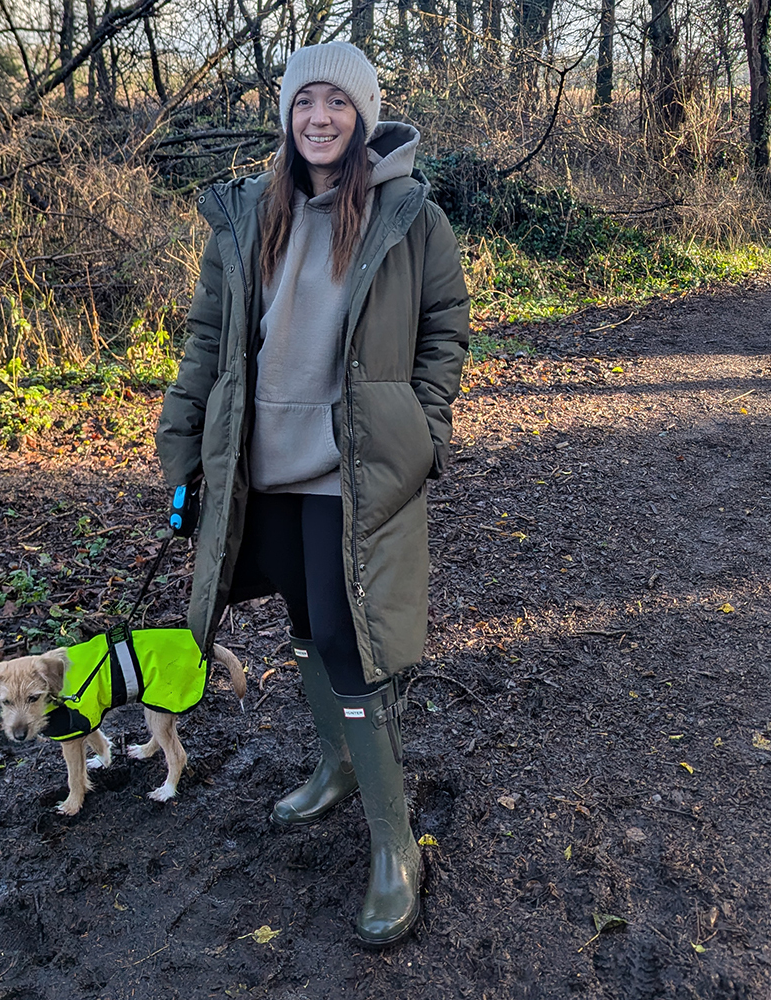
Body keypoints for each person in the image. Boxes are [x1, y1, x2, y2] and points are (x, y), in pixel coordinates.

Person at [156, 40, 469, 946]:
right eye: (304, 103)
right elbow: (208, 340)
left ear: (362, 116)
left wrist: (423, 430)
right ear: (287, 117)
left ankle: (393, 841)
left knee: (349, 639)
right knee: (300, 623)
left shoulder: (412, 218)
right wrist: (185, 448)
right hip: (264, 463)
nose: (319, 118)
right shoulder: (250, 213)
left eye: (337, 103)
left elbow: (445, 333)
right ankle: (335, 767)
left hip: (354, 465)